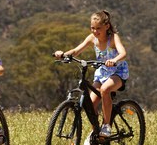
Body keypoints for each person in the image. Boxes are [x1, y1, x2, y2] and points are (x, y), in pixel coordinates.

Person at [53, 10, 128, 138]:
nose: (95, 31)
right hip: (102, 74)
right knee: (90, 104)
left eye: (98, 28)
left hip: (117, 73)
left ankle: (107, 126)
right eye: (92, 28)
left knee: (105, 90)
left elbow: (123, 53)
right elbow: (76, 51)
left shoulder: (113, 38)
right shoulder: (92, 38)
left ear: (107, 26)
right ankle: (96, 131)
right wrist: (63, 54)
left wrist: (114, 60)